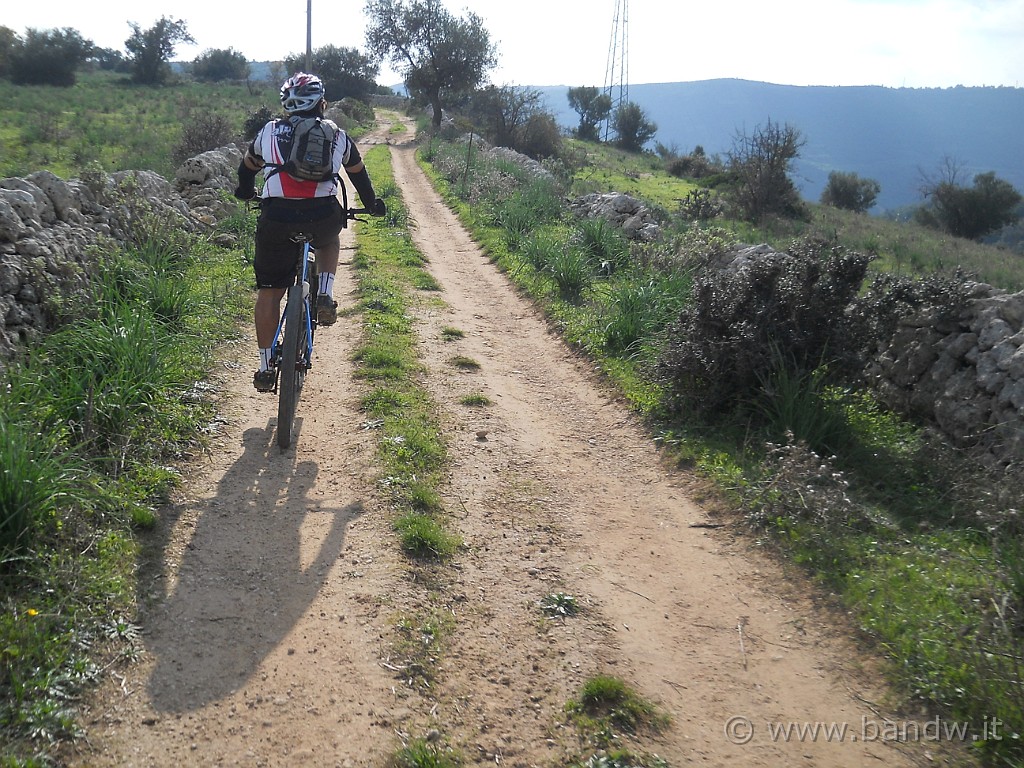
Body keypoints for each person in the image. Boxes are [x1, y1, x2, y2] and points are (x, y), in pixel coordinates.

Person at [234, 72, 386, 392]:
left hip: (277, 218)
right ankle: (325, 293)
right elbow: (359, 175)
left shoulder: (269, 131)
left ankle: (264, 366)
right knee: (330, 239)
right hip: (321, 216)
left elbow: (247, 167)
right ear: (321, 102)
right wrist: (371, 204)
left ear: (287, 104)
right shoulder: (337, 135)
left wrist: (245, 192)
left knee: (270, 292)